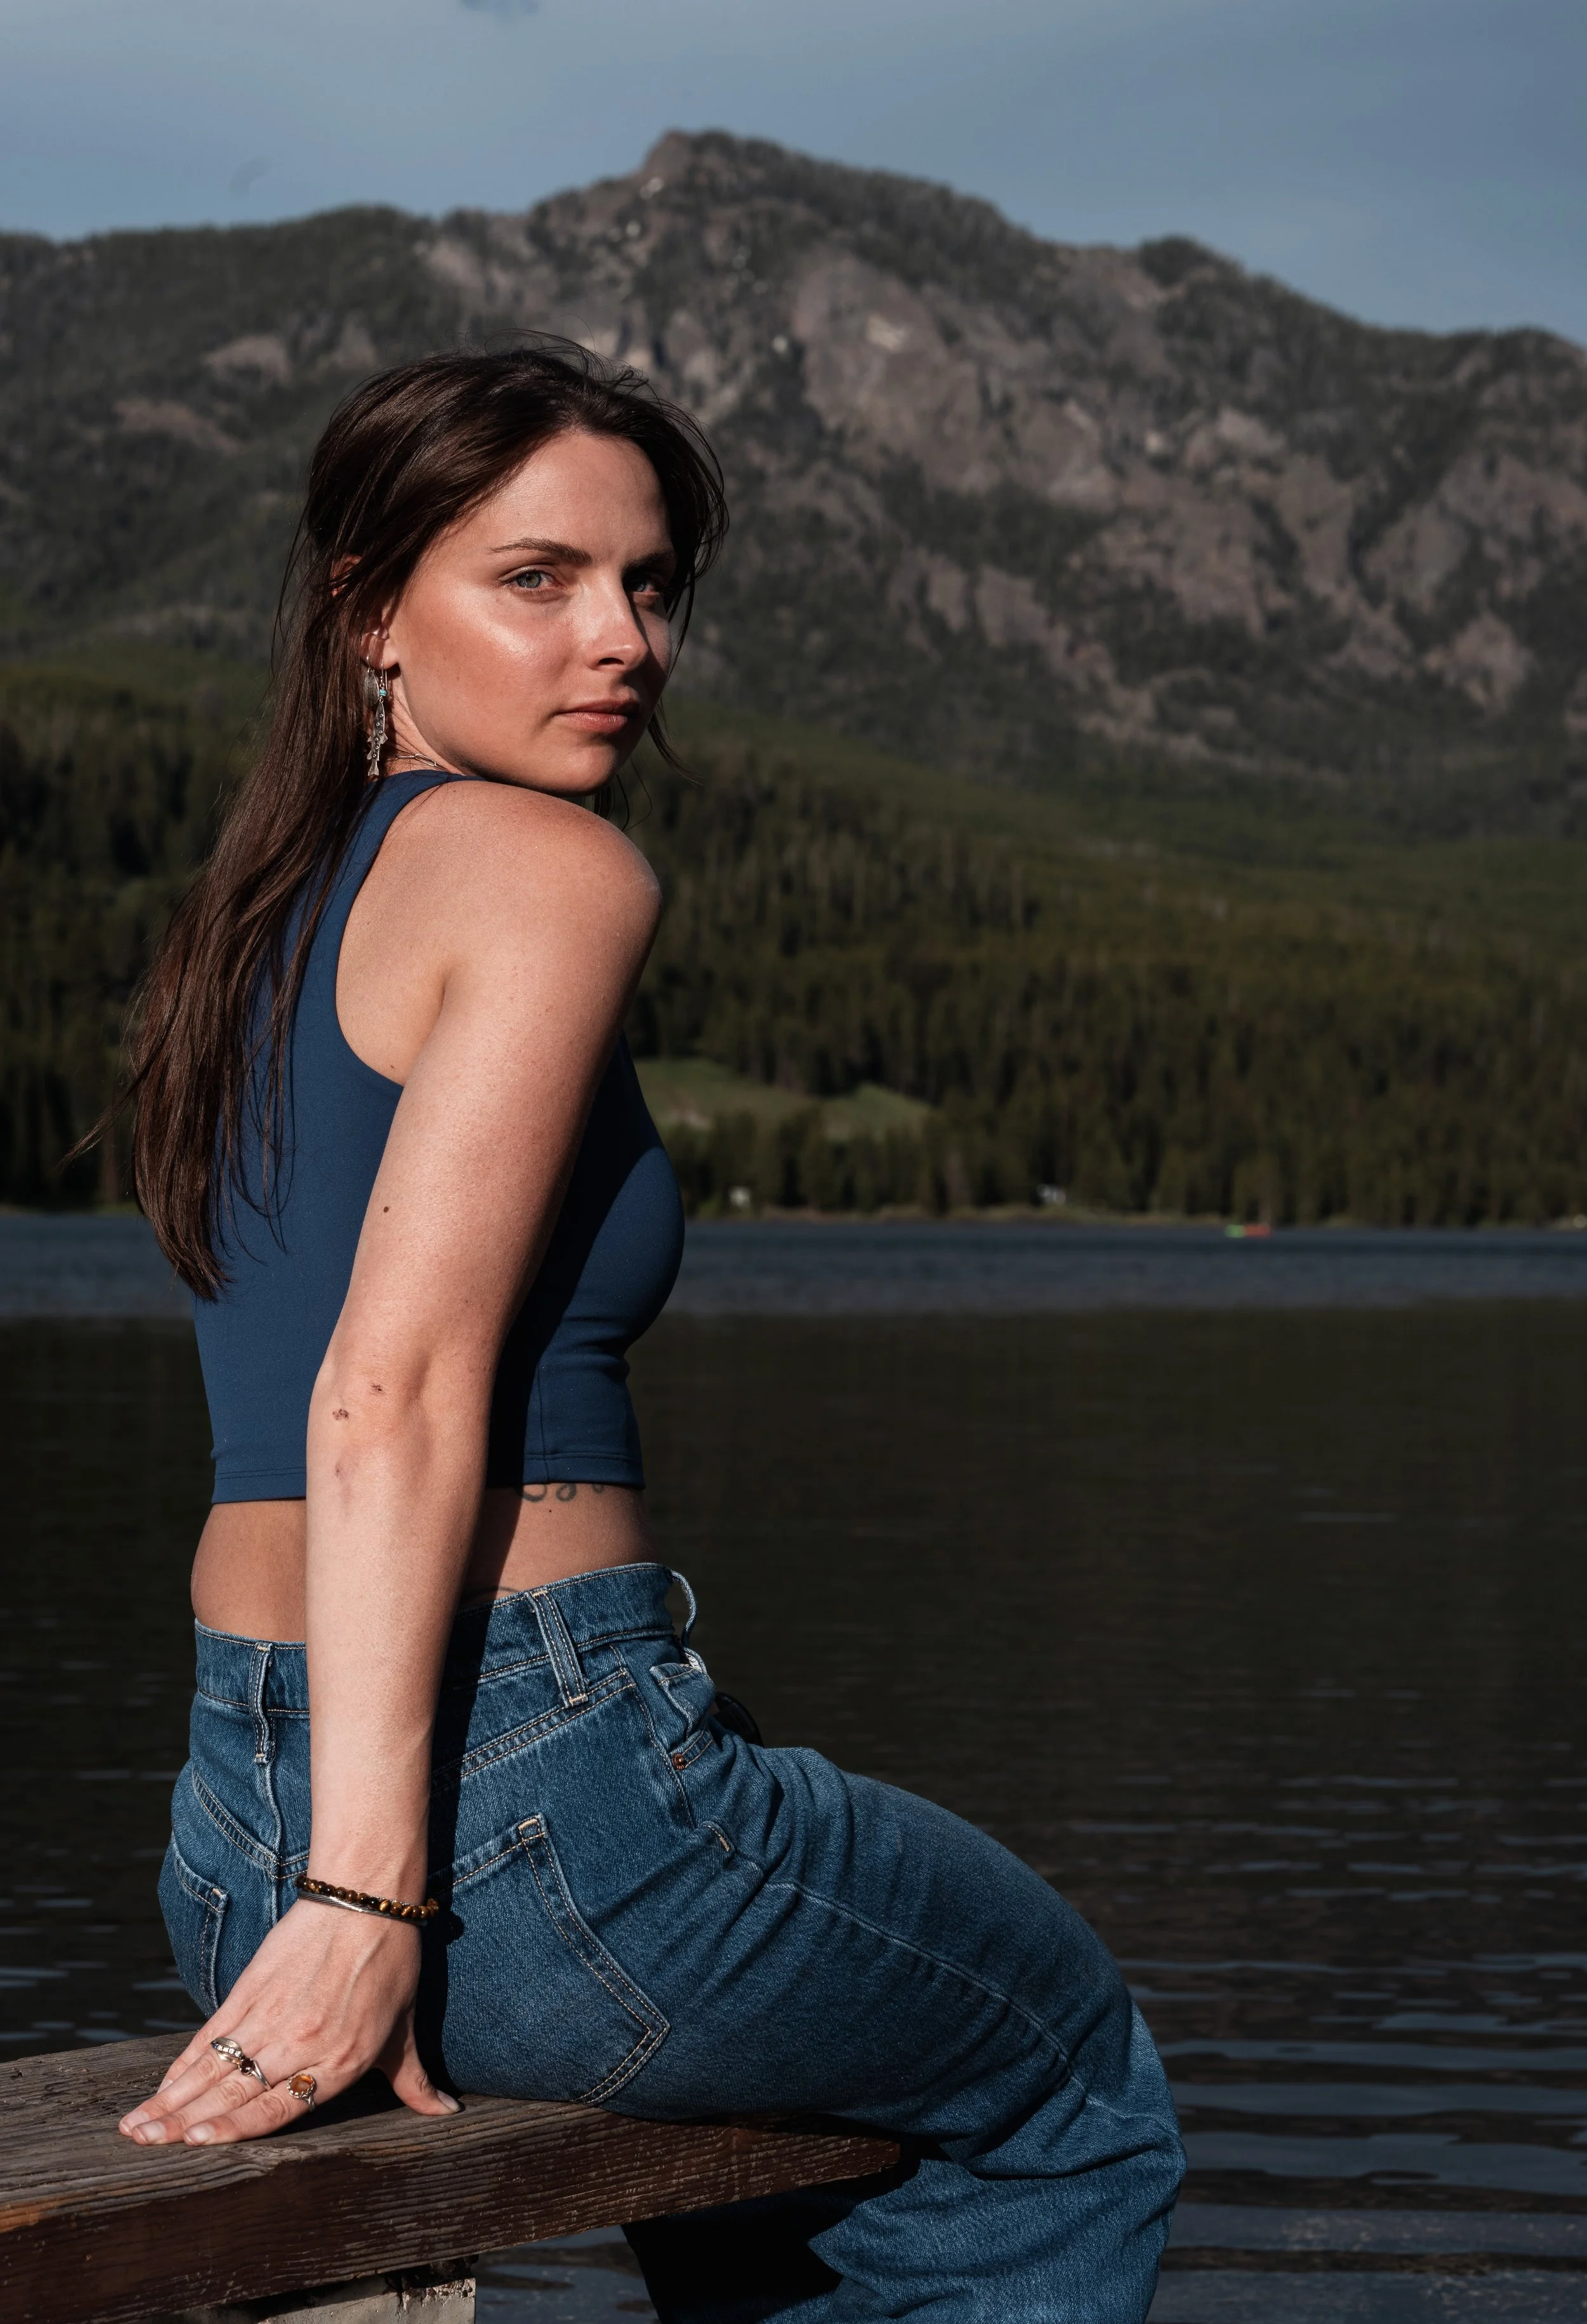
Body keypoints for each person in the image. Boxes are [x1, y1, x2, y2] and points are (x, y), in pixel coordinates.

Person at [109, 342, 1184, 2321]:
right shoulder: (543, 866)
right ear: (370, 609)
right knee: (1068, 2074)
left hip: (224, 1826)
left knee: (786, 2160)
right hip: (508, 1811)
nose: (622, 638)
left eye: (651, 582)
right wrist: (368, 1903)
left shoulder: (252, 912)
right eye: (539, 578)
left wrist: (314, 1877)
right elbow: (387, 1386)